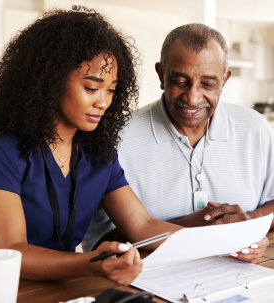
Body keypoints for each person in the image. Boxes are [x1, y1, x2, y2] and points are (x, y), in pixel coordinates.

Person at [0, 6, 183, 285]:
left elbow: (142, 225)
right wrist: (93, 263)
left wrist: (219, 243)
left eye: (111, 89)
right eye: (91, 88)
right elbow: (11, 250)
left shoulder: (99, 152)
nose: (104, 102)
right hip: (3, 289)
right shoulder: (0, 146)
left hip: (67, 286)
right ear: (50, 81)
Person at [82, 23, 272, 262]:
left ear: (225, 80)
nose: (192, 97)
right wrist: (201, 229)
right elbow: (101, 244)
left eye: (208, 84)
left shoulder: (256, 128)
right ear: (161, 75)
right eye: (180, 82)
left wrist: (248, 226)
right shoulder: (115, 138)